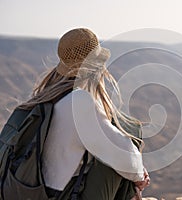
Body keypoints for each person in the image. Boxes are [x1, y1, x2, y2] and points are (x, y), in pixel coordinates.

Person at [18, 28, 150, 200]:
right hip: (59, 196)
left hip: (37, 193)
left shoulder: (47, 95)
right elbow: (122, 152)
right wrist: (140, 176)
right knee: (128, 133)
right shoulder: (79, 102)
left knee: (108, 148)